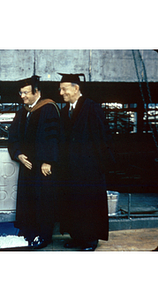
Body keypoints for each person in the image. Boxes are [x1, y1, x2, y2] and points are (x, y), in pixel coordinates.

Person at [58, 72, 115, 251]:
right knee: (73, 204)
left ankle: (90, 240)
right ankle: (77, 237)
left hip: (89, 169)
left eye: (64, 89)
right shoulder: (65, 110)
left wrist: (101, 165)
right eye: (60, 89)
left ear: (76, 88)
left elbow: (102, 138)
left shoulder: (92, 107)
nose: (61, 93)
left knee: (88, 205)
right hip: (70, 169)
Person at [8, 75, 61, 248]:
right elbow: (13, 135)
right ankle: (29, 232)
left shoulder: (49, 108)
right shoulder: (23, 111)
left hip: (42, 167)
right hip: (27, 165)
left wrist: (48, 161)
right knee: (28, 200)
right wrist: (18, 154)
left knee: (43, 200)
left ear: (36, 92)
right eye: (21, 93)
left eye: (25, 93)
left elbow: (54, 137)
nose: (22, 96)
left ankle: (44, 236)